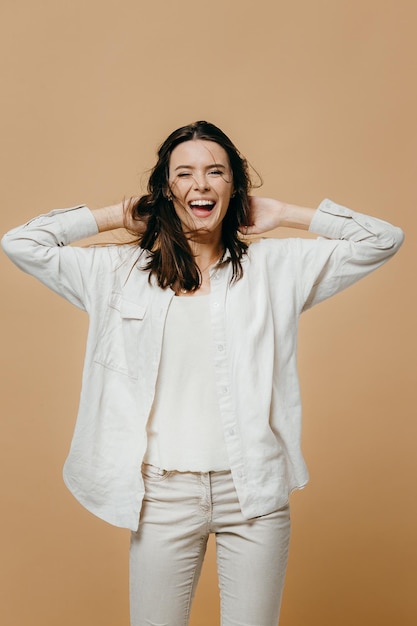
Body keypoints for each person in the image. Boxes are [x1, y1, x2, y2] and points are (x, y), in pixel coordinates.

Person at [1, 121, 404, 626]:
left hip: (252, 493)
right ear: (167, 189)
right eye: (185, 173)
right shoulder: (118, 273)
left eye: (216, 172)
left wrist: (283, 214)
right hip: (163, 497)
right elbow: (21, 243)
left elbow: (384, 239)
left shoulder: (275, 268)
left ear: (233, 185)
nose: (201, 184)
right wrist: (119, 214)